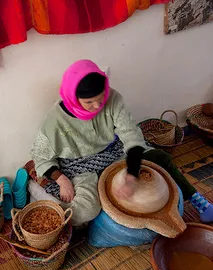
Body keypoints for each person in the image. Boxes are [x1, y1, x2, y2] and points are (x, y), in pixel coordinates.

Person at [31, 59, 213, 226]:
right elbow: (40, 156)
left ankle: (200, 203)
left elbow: (131, 135)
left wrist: (131, 175)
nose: (97, 106)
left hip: (114, 152)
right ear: (73, 97)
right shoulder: (55, 120)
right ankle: (45, 201)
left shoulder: (113, 98)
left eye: (101, 99)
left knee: (160, 157)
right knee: (86, 210)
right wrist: (62, 181)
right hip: (81, 165)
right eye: (89, 102)